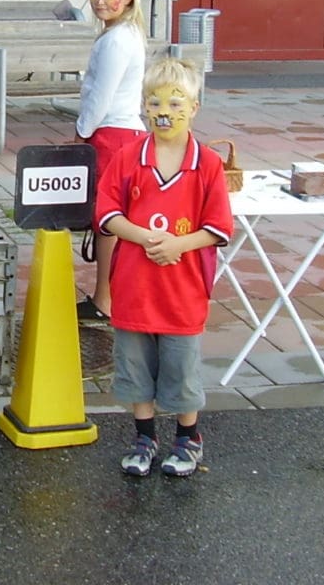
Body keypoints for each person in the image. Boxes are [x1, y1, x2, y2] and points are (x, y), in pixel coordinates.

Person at [94, 57, 233, 478]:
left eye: (176, 103)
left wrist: (178, 245)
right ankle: (143, 436)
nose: (164, 112)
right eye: (155, 103)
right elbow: (107, 212)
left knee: (181, 367)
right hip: (135, 285)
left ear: (194, 107)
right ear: (143, 106)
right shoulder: (127, 156)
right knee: (135, 366)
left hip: (182, 289)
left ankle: (188, 439)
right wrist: (142, 237)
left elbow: (218, 227)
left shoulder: (206, 163)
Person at [75, 0, 148, 321]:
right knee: (115, 220)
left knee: (107, 221)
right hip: (126, 131)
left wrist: (81, 133)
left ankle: (105, 298)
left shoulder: (116, 40)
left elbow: (99, 100)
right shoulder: (126, 34)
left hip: (111, 135)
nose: (100, 0)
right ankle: (112, 294)